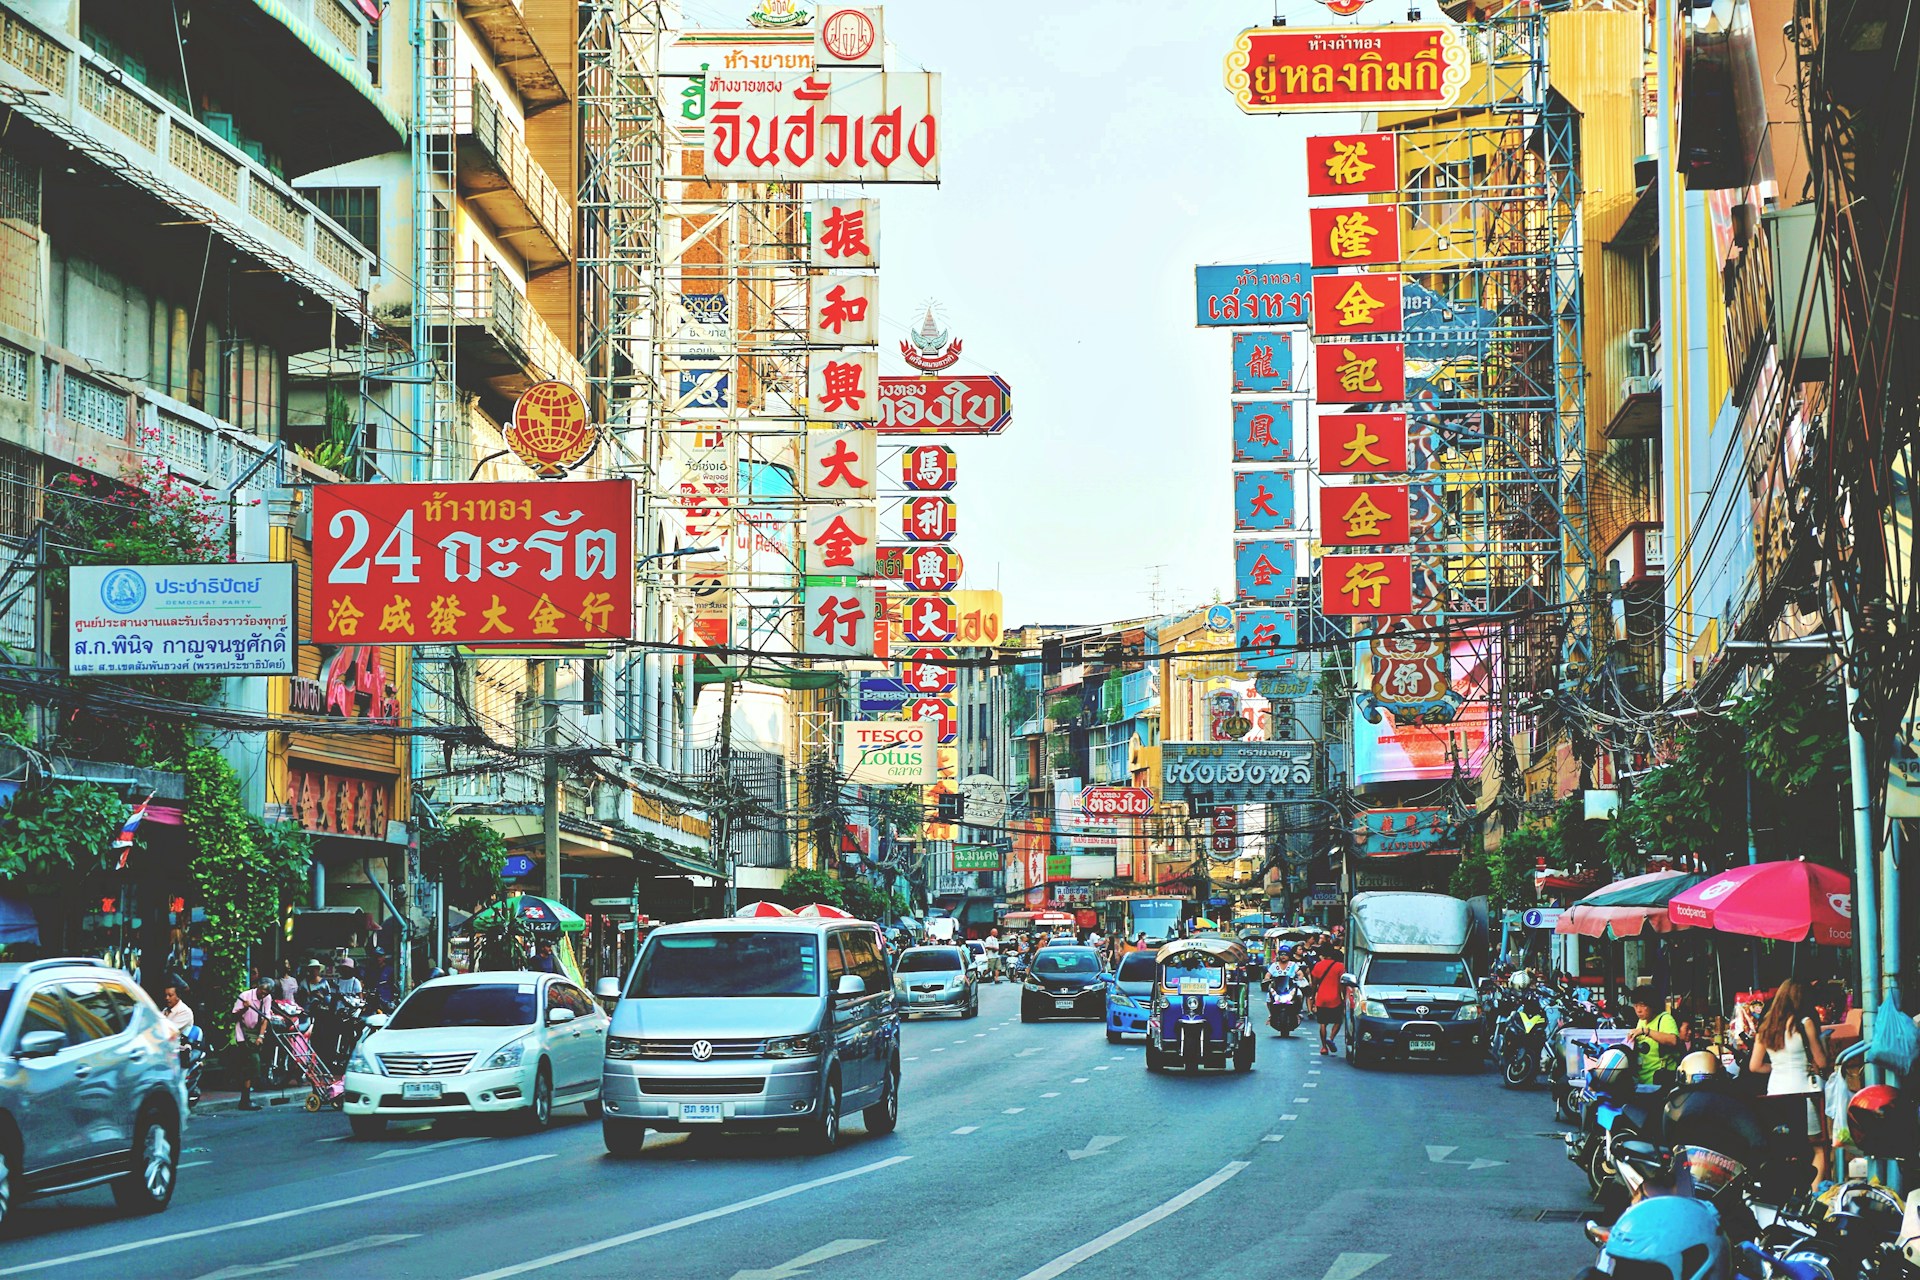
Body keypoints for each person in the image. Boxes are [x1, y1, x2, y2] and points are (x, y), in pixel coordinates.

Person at [1748, 978, 1832, 1188]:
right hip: (1804, 1094)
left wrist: (1777, 1067)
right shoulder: (1805, 1023)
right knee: (1818, 1148)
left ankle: (1789, 1195)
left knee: (1786, 1148)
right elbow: (1821, 1061)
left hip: (1775, 1094)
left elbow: (1755, 1066)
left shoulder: (1766, 1027)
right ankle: (1814, 1196)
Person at [230, 976, 276, 1110]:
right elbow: (234, 1017)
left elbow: (266, 1018)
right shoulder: (245, 996)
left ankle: (246, 1098)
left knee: (252, 1064)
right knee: (251, 1063)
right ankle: (245, 1099)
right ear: (257, 986)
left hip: (256, 1032)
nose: (263, 994)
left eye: (266, 993)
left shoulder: (267, 998)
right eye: (262, 991)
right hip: (243, 1033)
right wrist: (244, 1008)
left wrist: (261, 1036)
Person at [1628, 987, 1682, 1085]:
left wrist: (1647, 1031)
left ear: (1652, 1004)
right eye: (1635, 1006)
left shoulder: (1665, 1019)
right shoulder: (1641, 1021)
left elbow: (1673, 1040)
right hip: (1642, 1079)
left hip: (1659, 1079)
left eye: (1642, 1005)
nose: (1638, 1010)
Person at [1308, 943, 1347, 1056]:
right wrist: (1344, 998)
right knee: (1338, 1021)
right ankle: (1331, 1038)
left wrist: (1313, 996)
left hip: (1321, 997)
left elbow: (1314, 984)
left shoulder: (1318, 966)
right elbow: (1343, 984)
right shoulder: (1340, 966)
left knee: (1323, 1023)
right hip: (1335, 998)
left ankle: (1324, 1047)